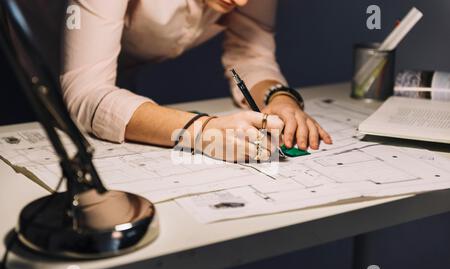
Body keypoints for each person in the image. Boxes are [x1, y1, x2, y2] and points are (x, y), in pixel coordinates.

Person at [61, 0, 332, 162]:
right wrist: (201, 131)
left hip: (118, 75)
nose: (241, 2)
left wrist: (280, 98)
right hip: (47, 57)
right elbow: (87, 90)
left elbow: (250, 56)